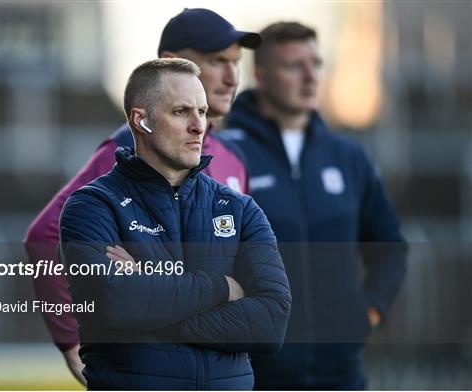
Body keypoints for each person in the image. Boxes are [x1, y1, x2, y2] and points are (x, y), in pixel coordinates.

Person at [24, 8, 260, 384]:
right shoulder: (128, 152)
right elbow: (43, 237)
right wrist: (72, 342)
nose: (232, 77)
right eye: (218, 61)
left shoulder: (234, 158)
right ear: (172, 65)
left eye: (236, 62)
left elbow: (255, 286)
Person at [59, 58, 291, 390]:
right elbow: (116, 303)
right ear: (142, 121)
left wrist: (149, 304)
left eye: (203, 111)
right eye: (181, 112)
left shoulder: (239, 209)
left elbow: (271, 323)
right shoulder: (93, 206)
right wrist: (223, 288)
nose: (200, 126)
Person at [222, 22, 407, 389]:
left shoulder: (348, 157)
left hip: (341, 374)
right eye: (294, 66)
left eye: (316, 64)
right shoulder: (226, 154)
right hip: (255, 375)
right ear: (262, 75)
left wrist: (370, 310)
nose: (310, 77)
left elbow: (389, 246)